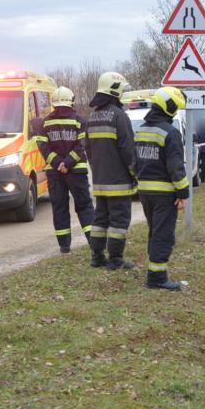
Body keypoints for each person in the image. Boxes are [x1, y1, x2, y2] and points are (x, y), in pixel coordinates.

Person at [134, 87, 189, 291]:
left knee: (154, 232)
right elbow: (176, 167)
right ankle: (157, 278)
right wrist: (183, 193)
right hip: (165, 194)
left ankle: (154, 271)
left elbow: (134, 162)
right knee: (163, 235)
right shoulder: (170, 133)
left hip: (145, 192)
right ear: (169, 108)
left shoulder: (141, 130)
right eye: (175, 110)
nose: (175, 114)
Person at [86, 72, 137, 270]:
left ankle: (97, 257)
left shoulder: (93, 116)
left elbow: (88, 149)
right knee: (119, 220)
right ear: (115, 90)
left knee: (100, 219)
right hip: (119, 182)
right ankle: (115, 259)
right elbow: (128, 150)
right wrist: (135, 173)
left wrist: (97, 169)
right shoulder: (119, 116)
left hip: (100, 180)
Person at [34, 86, 94, 253]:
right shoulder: (79, 121)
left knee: (59, 207)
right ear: (71, 101)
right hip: (77, 172)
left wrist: (58, 164)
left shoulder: (45, 123)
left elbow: (43, 147)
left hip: (55, 173)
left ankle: (64, 246)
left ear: (53, 103)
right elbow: (82, 146)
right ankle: (94, 242)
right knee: (84, 206)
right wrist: (67, 163)